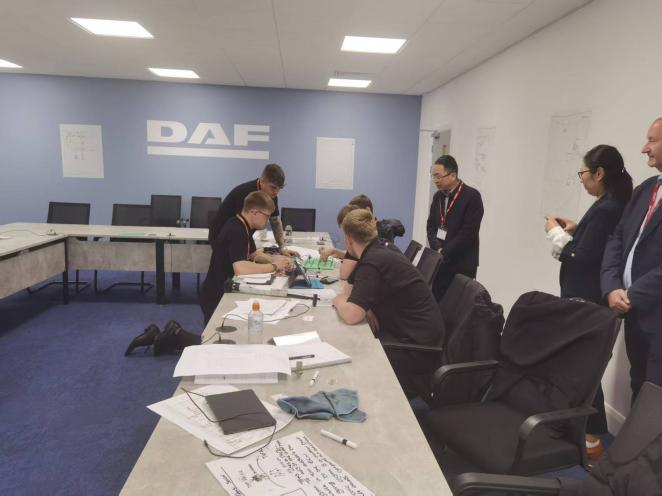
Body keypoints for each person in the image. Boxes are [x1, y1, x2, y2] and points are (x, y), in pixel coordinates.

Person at [544, 144, 632, 459]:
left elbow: (581, 258)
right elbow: (594, 245)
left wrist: (555, 234)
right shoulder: (608, 203)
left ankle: (592, 436)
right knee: (582, 364)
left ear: (599, 173)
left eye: (582, 172)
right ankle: (587, 430)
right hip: (585, 296)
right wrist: (577, 229)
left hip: (587, 298)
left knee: (585, 366)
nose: (580, 178)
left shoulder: (609, 208)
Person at [333, 209, 445, 398]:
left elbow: (352, 314)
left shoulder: (373, 261)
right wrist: (364, 306)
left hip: (416, 350)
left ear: (348, 239)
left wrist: (338, 301)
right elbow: (350, 289)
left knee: (348, 358)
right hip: (420, 337)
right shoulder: (380, 249)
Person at [602, 117, 662, 401]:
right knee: (638, 384)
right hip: (633, 312)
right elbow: (617, 237)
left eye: (652, 140)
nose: (644, 148)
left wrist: (631, 294)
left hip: (654, 312)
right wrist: (612, 287)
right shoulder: (646, 189)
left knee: (655, 398)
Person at [200, 191, 291, 324]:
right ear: (254, 212)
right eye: (266, 216)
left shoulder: (242, 225)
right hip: (216, 295)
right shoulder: (236, 230)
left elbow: (253, 254)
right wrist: (274, 266)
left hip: (224, 287)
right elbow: (240, 268)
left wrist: (275, 259)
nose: (267, 221)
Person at [426, 155, 484, 300]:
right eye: (433, 176)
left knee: (457, 306)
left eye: (438, 176)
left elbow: (468, 232)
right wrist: (436, 247)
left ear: (452, 175)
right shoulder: (438, 197)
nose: (435, 180)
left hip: (461, 264)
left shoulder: (472, 196)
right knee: (437, 302)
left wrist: (445, 251)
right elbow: (431, 225)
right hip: (440, 263)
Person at [207, 163, 297, 256]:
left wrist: (282, 247)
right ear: (262, 181)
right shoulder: (244, 193)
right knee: (232, 262)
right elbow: (241, 227)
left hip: (239, 234)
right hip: (220, 234)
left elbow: (275, 221)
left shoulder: (271, 195)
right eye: (273, 187)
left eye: (279, 188)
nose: (276, 192)